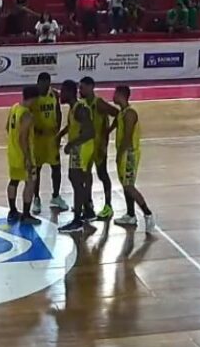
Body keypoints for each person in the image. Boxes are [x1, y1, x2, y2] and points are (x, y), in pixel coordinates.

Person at [109, 86, 155, 231]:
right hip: (124, 153)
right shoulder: (122, 113)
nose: (113, 96)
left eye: (115, 94)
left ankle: (148, 214)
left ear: (121, 95)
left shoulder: (130, 114)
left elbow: (128, 137)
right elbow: (116, 123)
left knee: (129, 186)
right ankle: (130, 215)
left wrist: (119, 155)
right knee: (125, 185)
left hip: (129, 154)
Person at [79, 77, 119, 220]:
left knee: (102, 175)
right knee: (86, 176)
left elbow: (118, 114)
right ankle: (88, 204)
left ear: (91, 87)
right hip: (86, 146)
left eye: (82, 88)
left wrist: (107, 133)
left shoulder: (99, 103)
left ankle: (108, 206)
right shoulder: (82, 104)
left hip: (98, 147)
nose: (80, 90)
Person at [57, 80, 95, 234]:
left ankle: (77, 220)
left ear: (69, 93)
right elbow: (73, 126)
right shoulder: (74, 109)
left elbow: (89, 132)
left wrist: (71, 144)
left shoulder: (80, 109)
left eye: (62, 91)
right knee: (79, 181)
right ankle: (88, 211)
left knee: (76, 181)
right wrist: (60, 134)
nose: (60, 94)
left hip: (82, 148)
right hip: (80, 147)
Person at [30, 73, 68, 214]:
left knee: (56, 168)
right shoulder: (33, 96)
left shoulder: (54, 94)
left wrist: (58, 130)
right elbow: (28, 115)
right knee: (37, 170)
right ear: (38, 83)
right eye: (43, 84)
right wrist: (34, 129)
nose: (45, 87)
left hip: (51, 138)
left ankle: (56, 196)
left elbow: (58, 111)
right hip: (38, 140)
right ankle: (36, 198)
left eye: (47, 84)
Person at [6, 85, 41, 226]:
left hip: (12, 152)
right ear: (34, 98)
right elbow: (23, 138)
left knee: (13, 181)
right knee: (30, 183)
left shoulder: (14, 107)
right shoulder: (27, 114)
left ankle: (13, 210)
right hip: (24, 154)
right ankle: (26, 214)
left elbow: (7, 127)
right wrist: (27, 157)